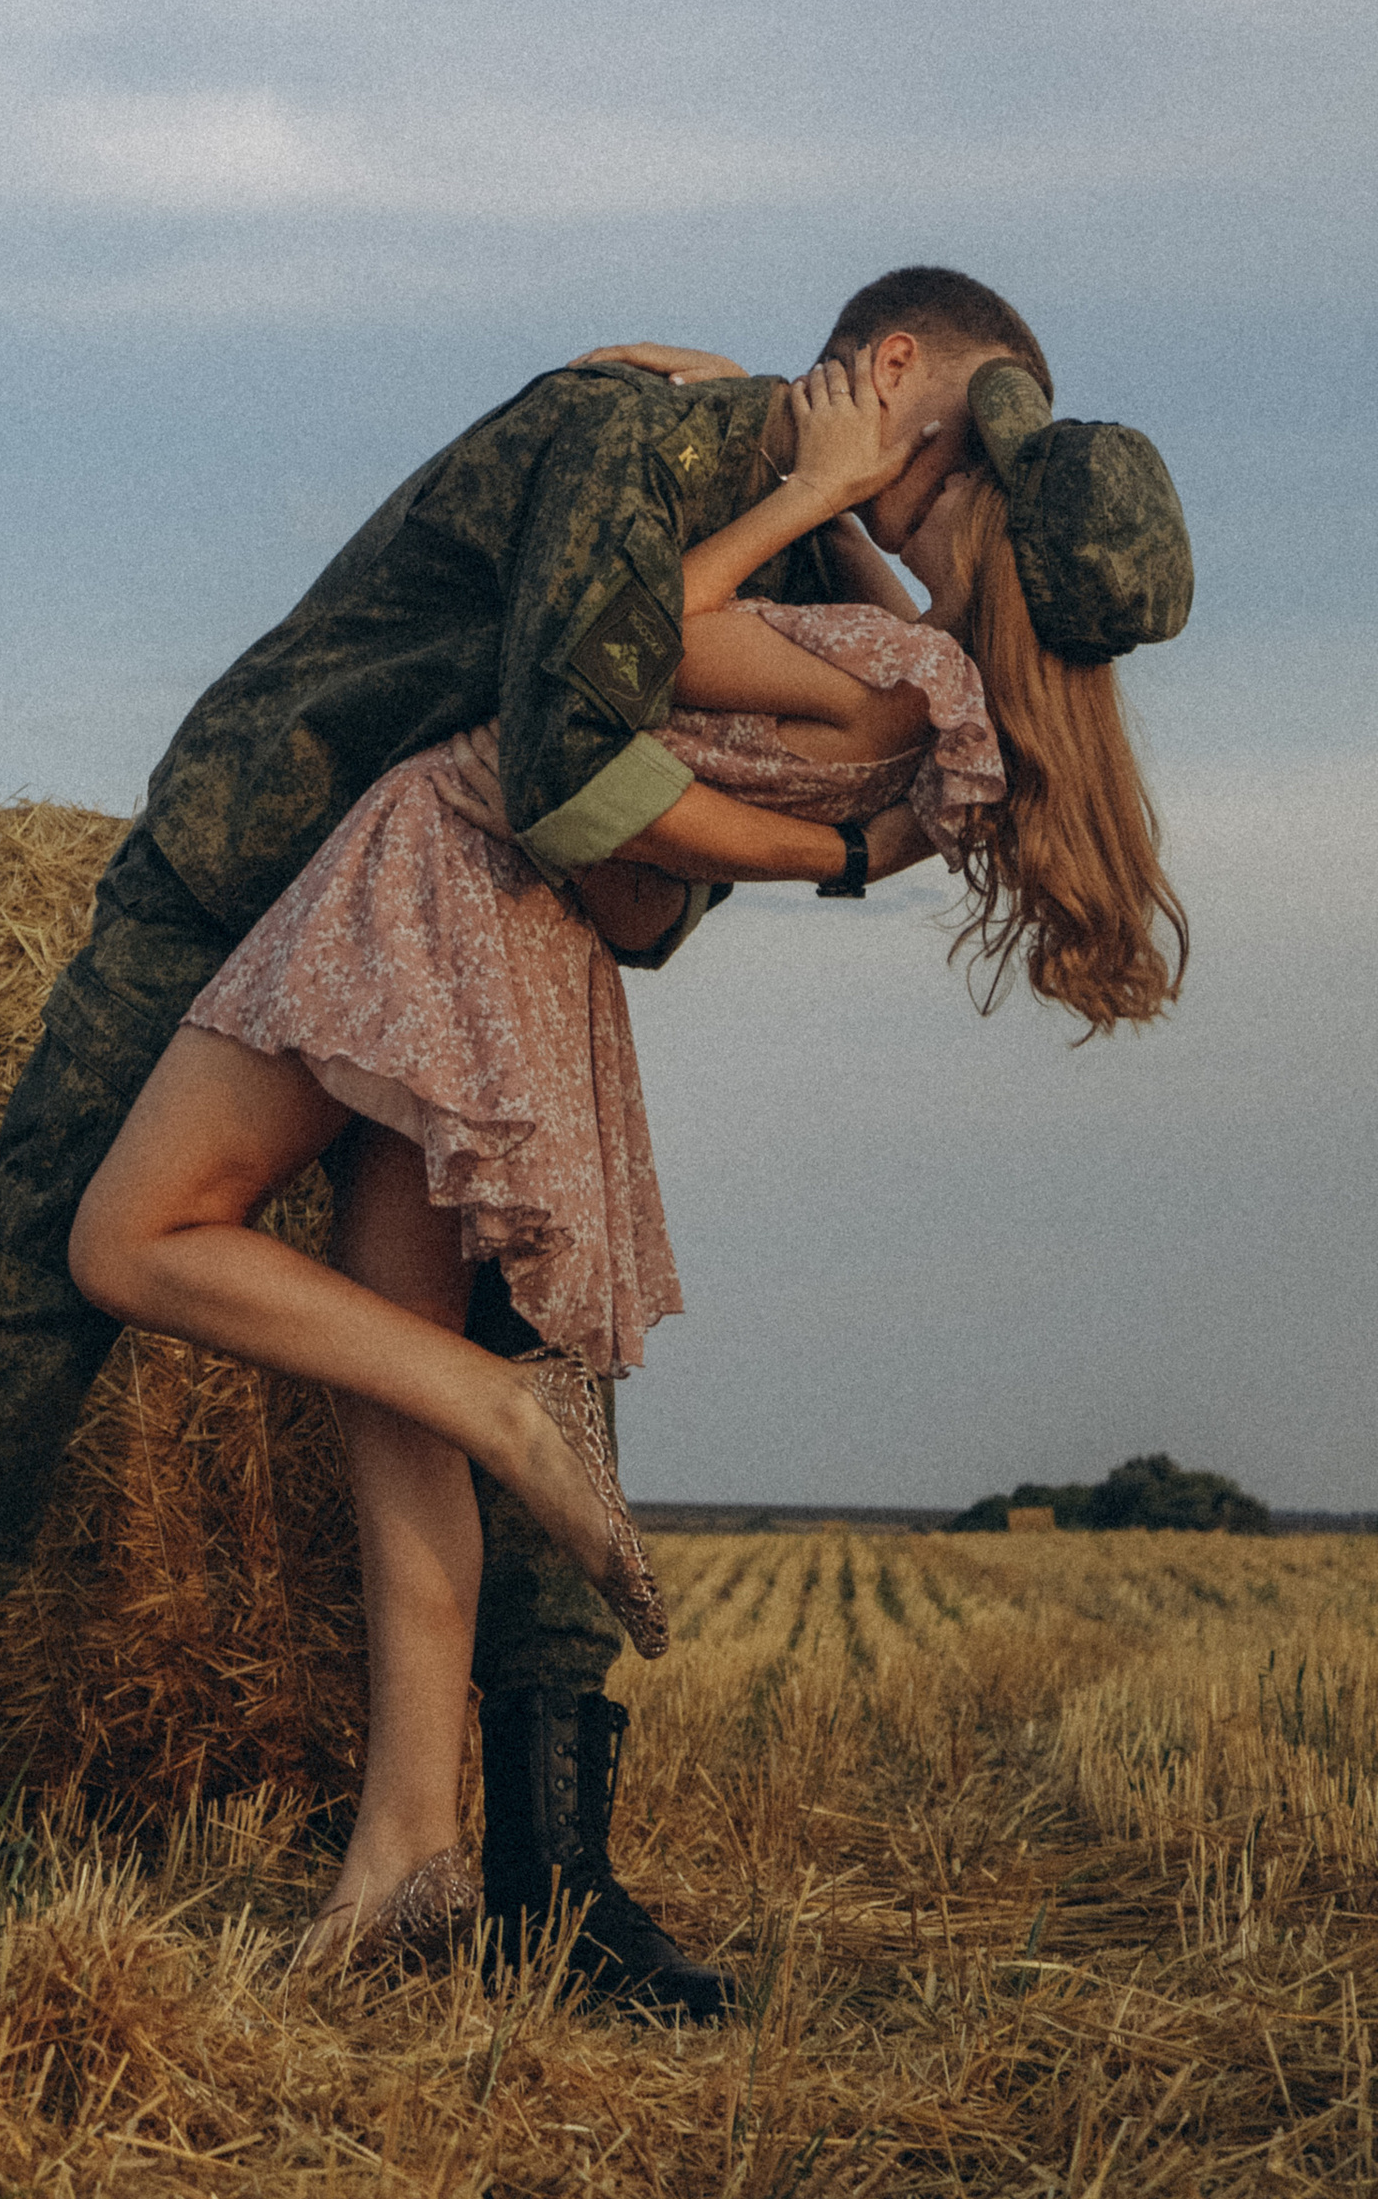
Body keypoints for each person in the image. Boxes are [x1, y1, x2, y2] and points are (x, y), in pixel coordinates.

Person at [0, 267, 1193, 2017]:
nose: (943, 557)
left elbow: (655, 830)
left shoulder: (815, 546)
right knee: (44, 1294)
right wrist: (845, 817)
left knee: (526, 1317)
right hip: (256, 852)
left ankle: (544, 1887)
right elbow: (574, 764)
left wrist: (840, 551)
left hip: (465, 893)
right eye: (952, 489)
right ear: (888, 376)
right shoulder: (646, 446)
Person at [65, 350, 1188, 1965]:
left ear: (992, 537)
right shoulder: (963, 738)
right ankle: (408, 1853)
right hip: (533, 935)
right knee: (391, 1399)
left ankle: (508, 1407)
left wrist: (799, 496)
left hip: (444, 865)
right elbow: (847, 676)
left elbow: (619, 645)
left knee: (137, 1233)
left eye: (957, 492)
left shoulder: (894, 674)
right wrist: (851, 533)